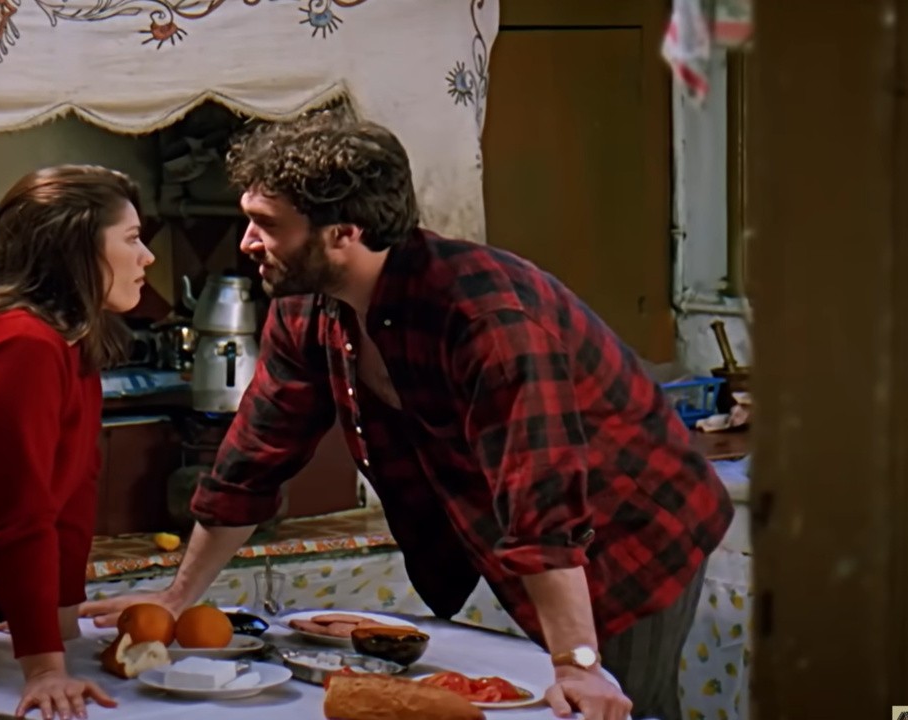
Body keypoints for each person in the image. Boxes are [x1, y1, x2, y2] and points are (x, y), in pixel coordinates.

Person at [80, 113, 733, 720]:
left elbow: (543, 496)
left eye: (267, 223)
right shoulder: (306, 307)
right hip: (544, 539)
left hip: (632, 526)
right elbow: (251, 462)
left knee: (609, 706)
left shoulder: (484, 319)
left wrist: (578, 662)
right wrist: (176, 597)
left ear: (344, 233)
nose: (248, 241)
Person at [0, 164, 154, 719]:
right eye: (131, 239)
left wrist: (63, 629)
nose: (147, 256)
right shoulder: (20, 345)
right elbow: (16, 515)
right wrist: (45, 668)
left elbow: (72, 498)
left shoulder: (69, 343)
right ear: (75, 250)